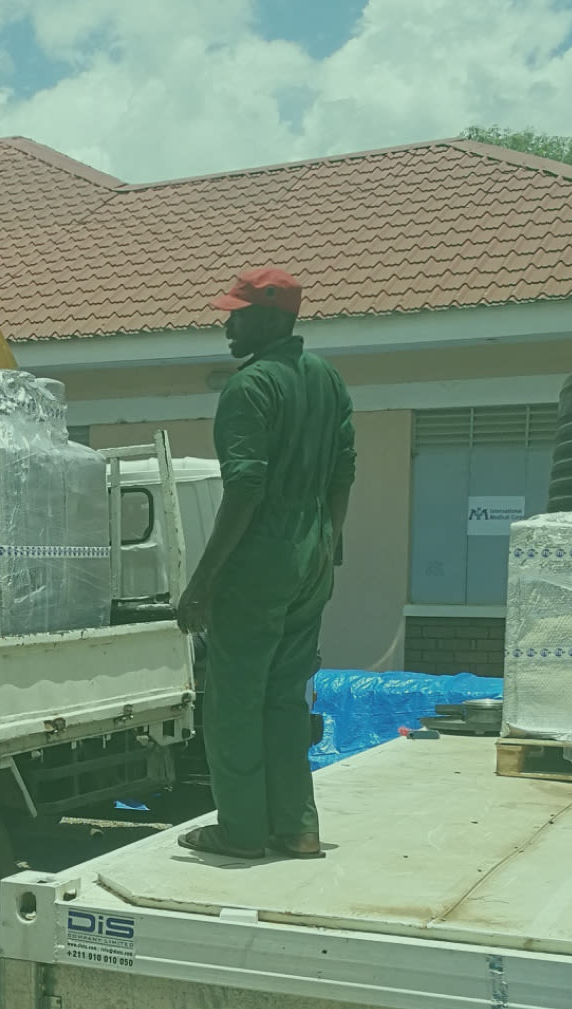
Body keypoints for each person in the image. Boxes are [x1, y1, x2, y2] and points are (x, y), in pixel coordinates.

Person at [175, 267, 355, 861]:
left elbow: (246, 488)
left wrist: (202, 582)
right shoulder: (328, 380)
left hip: (260, 563)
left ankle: (243, 832)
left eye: (238, 313)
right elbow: (342, 473)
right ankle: (298, 828)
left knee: (233, 701)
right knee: (284, 699)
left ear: (273, 317)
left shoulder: (250, 388)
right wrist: (331, 544)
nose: (227, 323)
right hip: (313, 560)